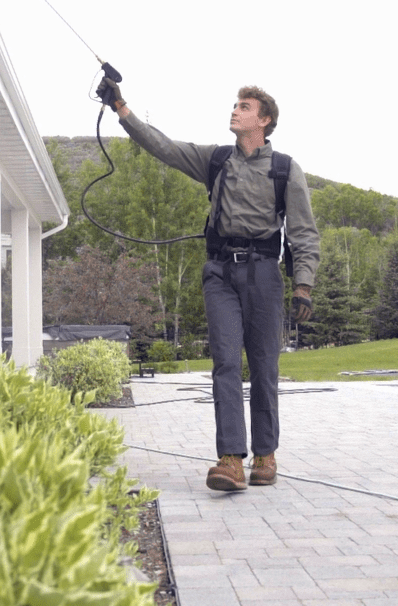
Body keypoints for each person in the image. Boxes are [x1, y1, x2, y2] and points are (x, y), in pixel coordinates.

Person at [99, 77, 320, 491]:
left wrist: (303, 285)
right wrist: (121, 109)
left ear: (265, 120)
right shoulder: (215, 161)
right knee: (225, 364)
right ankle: (230, 460)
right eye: (235, 104)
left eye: (245, 106)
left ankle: (265, 454)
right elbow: (164, 147)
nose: (235, 110)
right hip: (219, 273)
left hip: (264, 275)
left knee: (265, 368)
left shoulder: (285, 169)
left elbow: (304, 233)